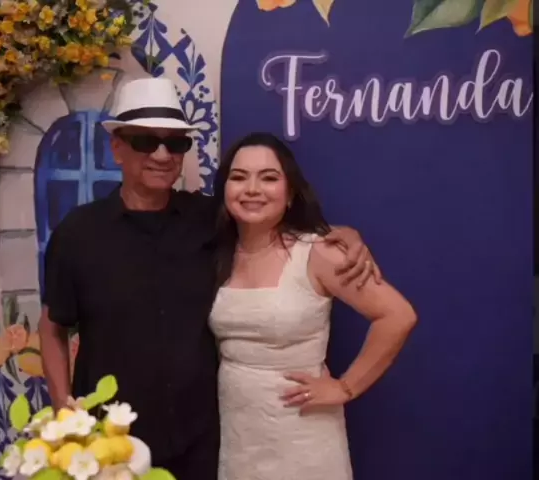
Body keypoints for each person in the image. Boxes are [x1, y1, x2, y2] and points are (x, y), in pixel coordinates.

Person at [39, 78, 381, 480]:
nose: (162, 155)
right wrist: (63, 407)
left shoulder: (212, 221)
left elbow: (271, 221)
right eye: (146, 141)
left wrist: (343, 236)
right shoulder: (78, 234)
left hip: (203, 441)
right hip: (112, 438)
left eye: (176, 143)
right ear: (117, 148)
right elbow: (52, 326)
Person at [209, 131, 418, 480]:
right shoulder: (216, 252)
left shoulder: (318, 252)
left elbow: (397, 315)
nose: (252, 189)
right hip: (239, 435)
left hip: (304, 436)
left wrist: (345, 387)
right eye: (239, 177)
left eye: (269, 178)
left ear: (290, 193)